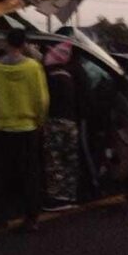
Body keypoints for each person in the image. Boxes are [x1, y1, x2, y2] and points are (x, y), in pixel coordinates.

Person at [0, 29, 49, 232]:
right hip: (27, 130)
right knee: (30, 176)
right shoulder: (33, 67)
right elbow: (42, 100)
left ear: (6, 43)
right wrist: (39, 122)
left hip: (2, 129)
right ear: (24, 44)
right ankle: (31, 219)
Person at [41, 41, 82, 212]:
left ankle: (56, 198)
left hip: (55, 123)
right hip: (71, 123)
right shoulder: (69, 77)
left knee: (55, 161)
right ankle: (70, 195)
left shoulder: (51, 79)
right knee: (70, 159)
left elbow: (45, 102)